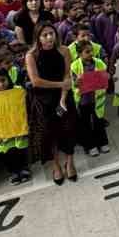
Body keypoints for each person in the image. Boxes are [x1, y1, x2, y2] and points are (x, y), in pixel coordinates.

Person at [23, 27, 75, 184]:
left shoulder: (64, 50)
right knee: (49, 133)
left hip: (63, 97)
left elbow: (67, 74)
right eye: (44, 35)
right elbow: (36, 81)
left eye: (51, 34)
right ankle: (56, 166)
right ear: (38, 38)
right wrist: (61, 85)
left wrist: (63, 98)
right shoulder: (31, 55)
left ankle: (70, 163)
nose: (49, 37)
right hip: (43, 99)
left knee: (69, 129)